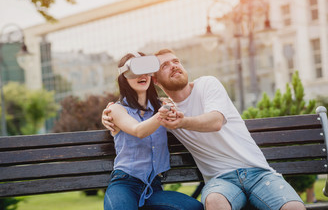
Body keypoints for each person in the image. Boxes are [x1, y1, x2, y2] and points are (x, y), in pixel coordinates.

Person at [103, 49, 306, 210]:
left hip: (257, 173)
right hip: (132, 183)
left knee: (294, 207)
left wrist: (175, 118)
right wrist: (109, 113)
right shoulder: (159, 112)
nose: (174, 66)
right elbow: (139, 128)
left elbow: (215, 121)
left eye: (176, 61)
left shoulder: (198, 90)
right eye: (165, 65)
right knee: (214, 204)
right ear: (155, 80)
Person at [103, 52, 203, 210]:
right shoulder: (116, 109)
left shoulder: (162, 105)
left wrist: (168, 109)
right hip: (125, 184)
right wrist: (162, 114)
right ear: (124, 77)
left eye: (146, 69)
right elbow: (138, 130)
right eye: (135, 70)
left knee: (193, 207)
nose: (142, 75)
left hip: (153, 188)